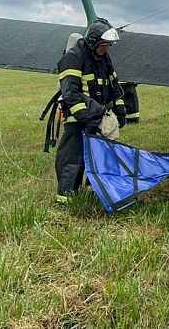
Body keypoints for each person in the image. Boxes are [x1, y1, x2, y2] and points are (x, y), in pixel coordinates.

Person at [55, 18, 126, 203]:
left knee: (101, 158)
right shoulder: (73, 57)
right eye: (104, 44)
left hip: (99, 117)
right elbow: (70, 92)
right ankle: (66, 198)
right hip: (78, 120)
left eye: (109, 45)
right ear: (93, 41)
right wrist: (85, 118)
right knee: (73, 159)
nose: (107, 48)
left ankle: (96, 192)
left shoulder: (103, 58)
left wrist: (119, 111)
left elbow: (113, 86)